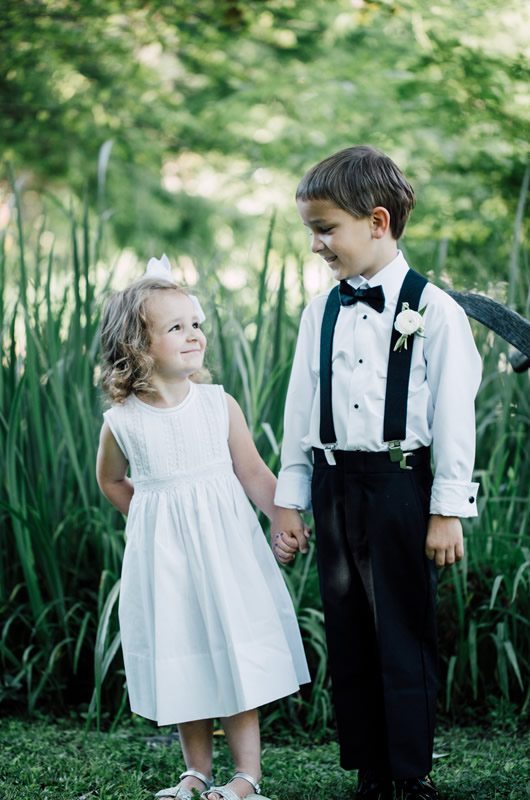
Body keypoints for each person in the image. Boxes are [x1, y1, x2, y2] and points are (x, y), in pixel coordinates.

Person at [271, 146, 482, 800]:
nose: (316, 245)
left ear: (378, 221)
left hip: (400, 487)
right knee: (349, 625)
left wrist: (446, 510)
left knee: (403, 626)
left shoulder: (434, 311)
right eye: (312, 231)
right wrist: (291, 500)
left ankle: (410, 772)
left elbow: (454, 416)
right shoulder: (320, 311)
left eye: (325, 228)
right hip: (337, 487)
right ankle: (368, 767)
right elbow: (300, 407)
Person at [96, 256, 310, 800]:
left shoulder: (218, 405)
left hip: (227, 554)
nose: (194, 336)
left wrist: (281, 517)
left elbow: (254, 472)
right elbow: (113, 481)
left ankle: (247, 777)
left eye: (197, 324)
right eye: (176, 328)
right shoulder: (122, 421)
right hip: (165, 563)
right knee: (183, 653)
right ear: (138, 347)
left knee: (234, 650)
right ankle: (196, 771)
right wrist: (148, 521)